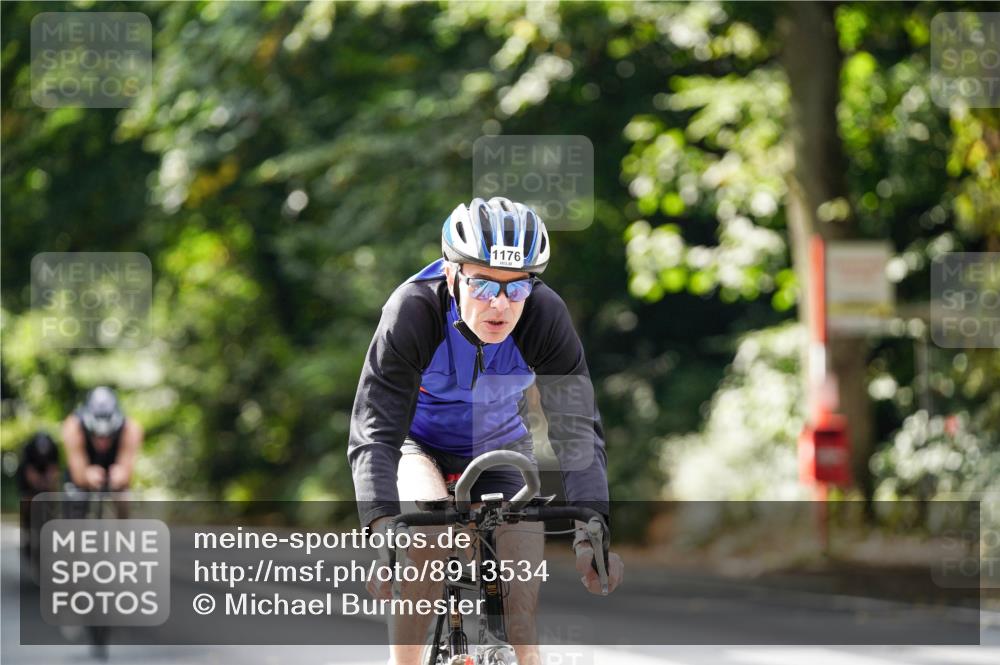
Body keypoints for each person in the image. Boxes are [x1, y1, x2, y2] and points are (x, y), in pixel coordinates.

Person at [348, 197, 624, 665]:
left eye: (516, 289)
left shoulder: (544, 316)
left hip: (499, 447)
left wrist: (590, 532)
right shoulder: (413, 310)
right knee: (425, 536)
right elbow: (375, 428)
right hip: (420, 445)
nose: (500, 304)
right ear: (453, 275)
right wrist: (382, 529)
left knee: (521, 604)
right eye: (483, 285)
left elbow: (577, 428)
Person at [61, 387, 143, 515]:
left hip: (113, 467)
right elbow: (77, 473)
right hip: (83, 469)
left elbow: (126, 471)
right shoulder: (73, 426)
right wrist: (85, 476)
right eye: (97, 436)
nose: (102, 443)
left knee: (125, 497)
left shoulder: (130, 429)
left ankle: (123, 533)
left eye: (108, 437)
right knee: (75, 497)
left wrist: (121, 475)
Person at [17, 431, 61, 565]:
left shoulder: (53, 448)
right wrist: (37, 484)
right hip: (28, 482)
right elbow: (29, 472)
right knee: (27, 500)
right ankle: (27, 532)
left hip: (45, 478)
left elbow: (54, 470)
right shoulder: (28, 449)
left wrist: (48, 486)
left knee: (50, 498)